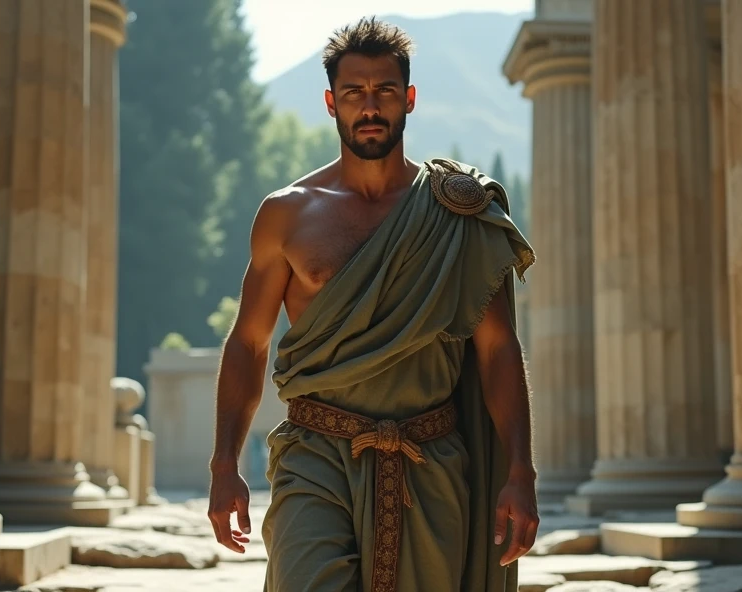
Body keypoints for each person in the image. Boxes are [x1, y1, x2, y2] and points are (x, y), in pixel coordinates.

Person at [207, 16, 538, 592]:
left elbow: (497, 350)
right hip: (316, 455)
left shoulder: (456, 214)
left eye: (385, 91)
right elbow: (249, 341)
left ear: (408, 99)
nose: (370, 107)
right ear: (332, 102)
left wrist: (520, 469)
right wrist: (222, 462)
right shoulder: (287, 214)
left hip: (429, 462)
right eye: (355, 93)